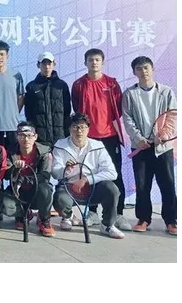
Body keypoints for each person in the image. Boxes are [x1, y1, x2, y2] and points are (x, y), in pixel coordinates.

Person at [70, 48, 129, 230]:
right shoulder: (79, 84)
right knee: (89, 174)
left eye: (97, 60)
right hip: (89, 138)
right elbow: (77, 108)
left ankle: (117, 213)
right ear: (85, 63)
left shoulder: (111, 84)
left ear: (102, 62)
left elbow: (118, 108)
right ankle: (92, 212)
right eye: (90, 60)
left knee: (115, 174)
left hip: (110, 137)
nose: (94, 63)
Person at [122, 56, 177, 235]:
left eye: (146, 68)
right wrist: (138, 139)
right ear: (134, 72)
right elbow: (127, 119)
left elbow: (172, 116)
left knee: (167, 184)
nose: (143, 71)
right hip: (141, 147)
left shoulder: (166, 91)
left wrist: (164, 136)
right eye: (139, 68)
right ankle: (143, 219)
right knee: (142, 185)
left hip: (163, 148)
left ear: (152, 69)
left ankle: (171, 220)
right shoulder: (129, 94)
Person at [51, 113, 125, 239]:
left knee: (112, 189)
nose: (79, 131)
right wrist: (66, 170)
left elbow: (112, 173)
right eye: (75, 127)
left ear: (88, 129)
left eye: (83, 127)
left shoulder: (98, 146)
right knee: (59, 198)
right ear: (69, 129)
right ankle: (67, 216)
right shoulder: (60, 145)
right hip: (70, 187)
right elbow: (55, 173)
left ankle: (107, 225)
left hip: (93, 187)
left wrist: (87, 180)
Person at [1, 122, 55, 237]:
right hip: (18, 190)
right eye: (22, 135)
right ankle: (23, 214)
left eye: (29, 136)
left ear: (35, 137)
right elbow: (5, 175)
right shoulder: (10, 152)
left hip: (37, 189)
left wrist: (24, 179)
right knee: (5, 205)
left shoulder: (44, 152)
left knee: (46, 190)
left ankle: (44, 218)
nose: (26, 139)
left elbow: (45, 175)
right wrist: (15, 169)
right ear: (17, 136)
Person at [24, 52, 71, 149]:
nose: (47, 67)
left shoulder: (62, 85)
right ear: (38, 65)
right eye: (43, 64)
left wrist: (66, 131)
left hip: (60, 136)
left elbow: (67, 110)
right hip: (40, 137)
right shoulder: (31, 86)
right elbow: (29, 113)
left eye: (49, 63)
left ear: (54, 64)